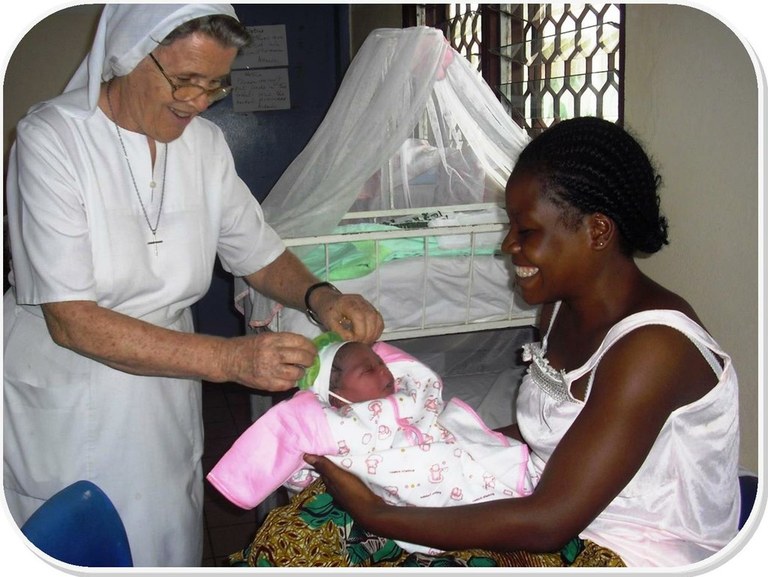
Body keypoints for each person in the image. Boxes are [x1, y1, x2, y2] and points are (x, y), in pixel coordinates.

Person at [244, 117, 741, 568]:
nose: (507, 245)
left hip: (627, 550)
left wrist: (376, 512)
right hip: (547, 500)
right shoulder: (560, 309)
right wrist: (430, 445)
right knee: (302, 526)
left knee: (363, 530)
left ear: (597, 231)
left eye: (526, 230)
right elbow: (555, 436)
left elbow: (548, 525)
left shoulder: (653, 348)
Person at [3, 4, 383, 567]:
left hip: (167, 378)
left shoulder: (204, 145)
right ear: (127, 56)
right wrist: (230, 359)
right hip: (72, 380)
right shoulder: (52, 139)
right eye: (184, 80)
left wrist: (321, 297)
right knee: (79, 539)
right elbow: (71, 319)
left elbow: (257, 252)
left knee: (162, 532)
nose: (199, 101)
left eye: (215, 84)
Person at [207, 334, 534, 555]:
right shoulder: (336, 422)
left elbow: (420, 379)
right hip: (413, 490)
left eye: (381, 364)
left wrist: (367, 349)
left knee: (492, 466)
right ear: (335, 394)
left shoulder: (409, 393)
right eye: (368, 370)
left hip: (452, 452)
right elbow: (290, 438)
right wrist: (248, 479)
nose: (384, 372)